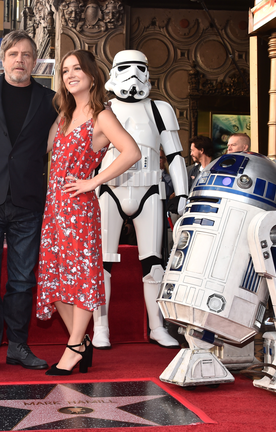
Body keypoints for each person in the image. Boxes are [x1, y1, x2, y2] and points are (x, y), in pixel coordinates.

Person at [36, 49, 141, 375]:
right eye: (65, 70)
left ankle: (73, 349)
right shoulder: (64, 116)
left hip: (79, 210)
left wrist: (93, 181)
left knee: (81, 279)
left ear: (93, 76)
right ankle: (80, 342)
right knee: (54, 281)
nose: (70, 75)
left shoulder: (101, 115)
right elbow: (43, 152)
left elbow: (132, 152)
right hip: (54, 210)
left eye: (77, 69)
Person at [0, 30, 58, 373]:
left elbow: (59, 139)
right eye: (13, 54)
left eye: (26, 54)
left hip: (28, 200)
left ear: (34, 61)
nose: (20, 60)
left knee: (22, 279)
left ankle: (18, 346)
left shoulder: (50, 99)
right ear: (3, 59)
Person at [92, 50, 189, 350]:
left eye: (140, 68)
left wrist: (182, 193)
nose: (133, 74)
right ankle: (100, 327)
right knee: (103, 263)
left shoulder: (160, 109)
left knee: (153, 263)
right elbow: (88, 154)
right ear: (114, 72)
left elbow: (174, 155)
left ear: (148, 73)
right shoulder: (103, 109)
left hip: (149, 190)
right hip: (109, 189)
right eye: (125, 67)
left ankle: (156, 327)